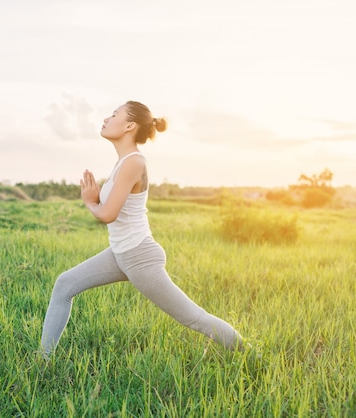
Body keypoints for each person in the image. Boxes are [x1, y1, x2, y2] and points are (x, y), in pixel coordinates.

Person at [40, 100, 244, 357]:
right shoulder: (123, 161)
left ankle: (253, 357)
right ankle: (43, 360)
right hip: (120, 254)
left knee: (195, 319)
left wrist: (90, 202)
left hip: (139, 256)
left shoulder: (133, 162)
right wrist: (95, 201)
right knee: (64, 284)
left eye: (114, 114)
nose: (106, 118)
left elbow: (108, 214)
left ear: (129, 125)